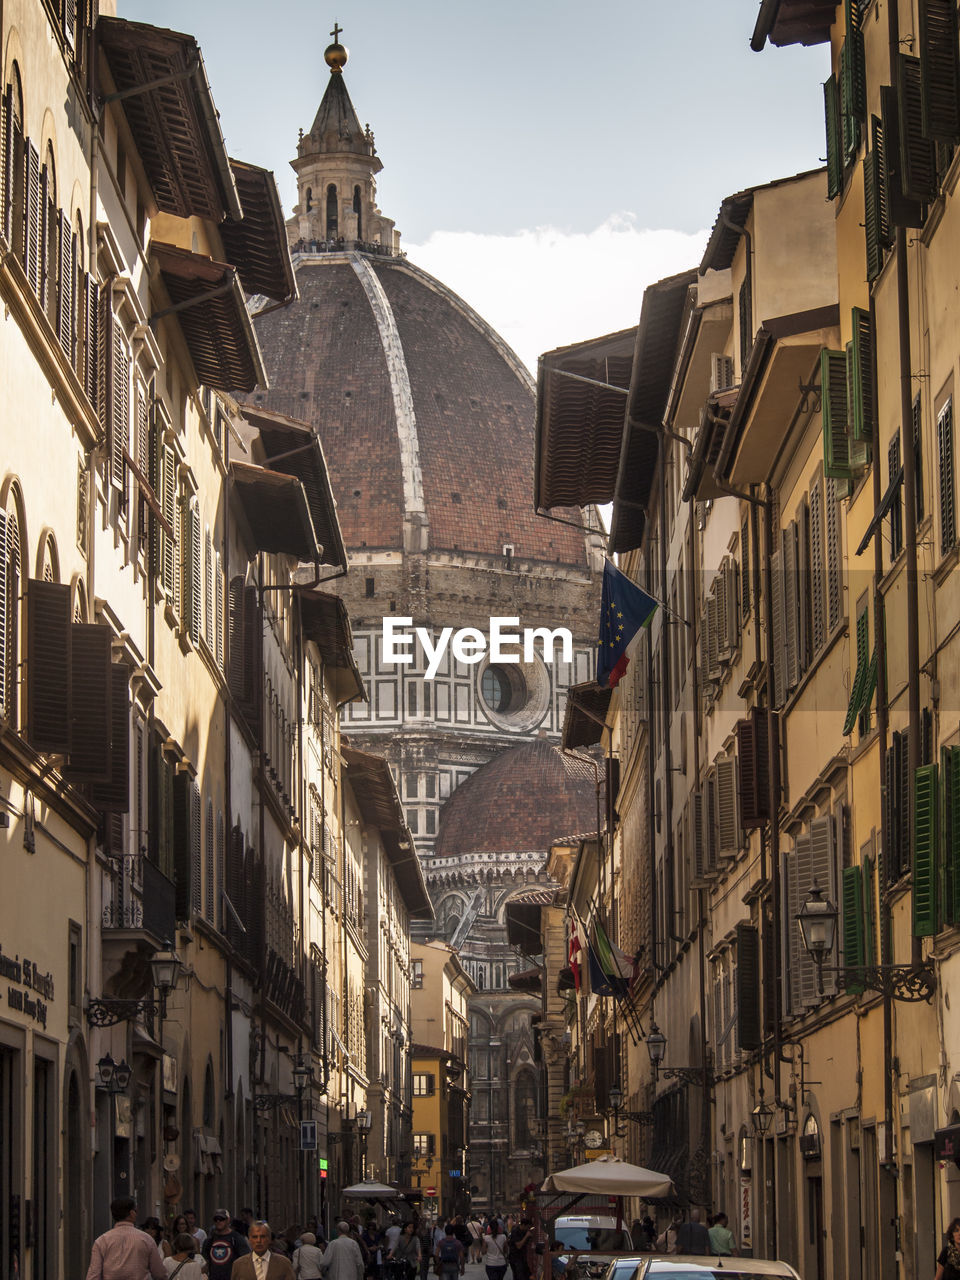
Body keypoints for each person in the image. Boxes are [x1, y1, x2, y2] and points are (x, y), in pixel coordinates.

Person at [85, 1196, 168, 1280]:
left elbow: (93, 1276)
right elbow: (159, 1274)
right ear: (132, 1213)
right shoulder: (146, 1239)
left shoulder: (101, 1241)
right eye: (135, 1211)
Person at [230, 1221, 295, 1280]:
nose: (259, 1241)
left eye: (263, 1237)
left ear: (269, 1239)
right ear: (249, 1239)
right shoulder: (238, 1264)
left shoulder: (284, 1263)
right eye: (255, 1237)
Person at [203, 1210, 250, 1280]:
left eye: (221, 1219)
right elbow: (205, 1262)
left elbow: (246, 1260)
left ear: (228, 1220)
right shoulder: (209, 1241)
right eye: (216, 1219)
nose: (218, 1221)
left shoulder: (237, 1238)